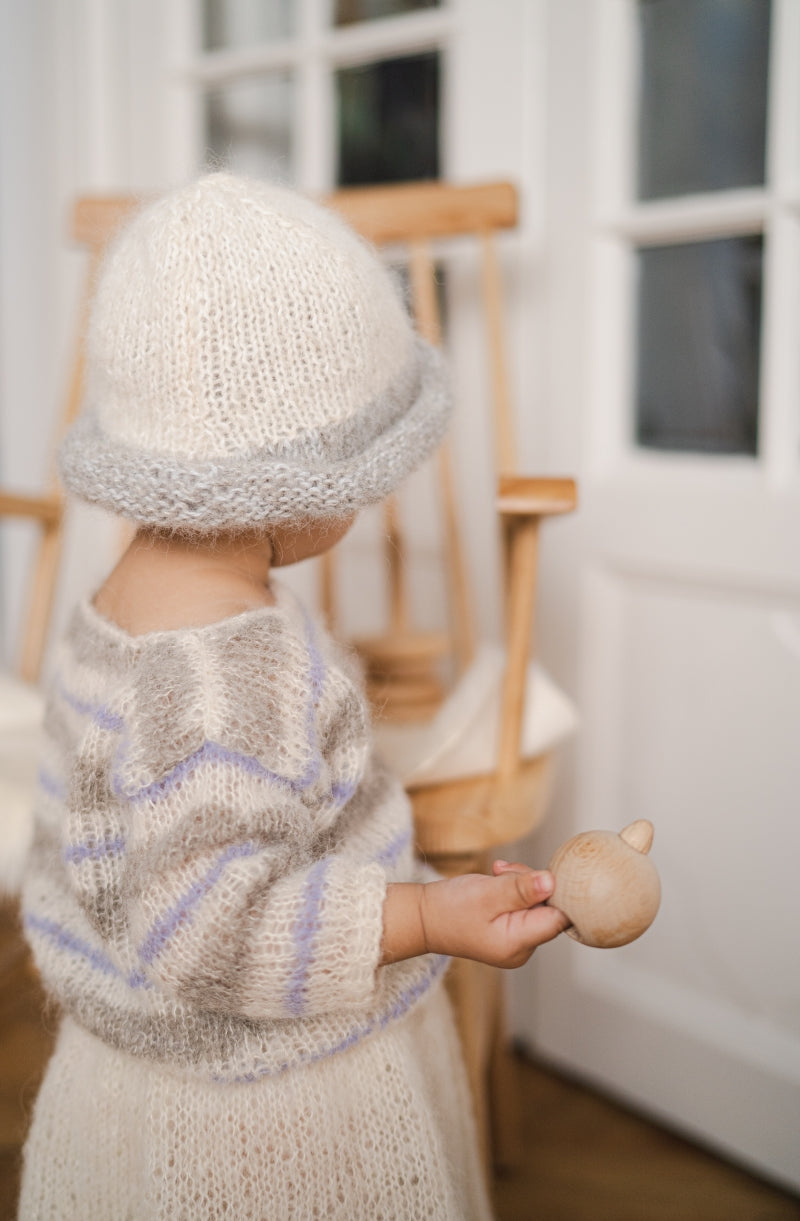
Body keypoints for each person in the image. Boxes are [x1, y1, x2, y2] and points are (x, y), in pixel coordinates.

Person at [19, 173, 568, 1220]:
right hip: (271, 1118)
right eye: (365, 477)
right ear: (286, 488)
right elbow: (211, 930)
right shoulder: (233, 670)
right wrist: (428, 912)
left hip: (132, 1073)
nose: (371, 502)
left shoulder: (120, 607)